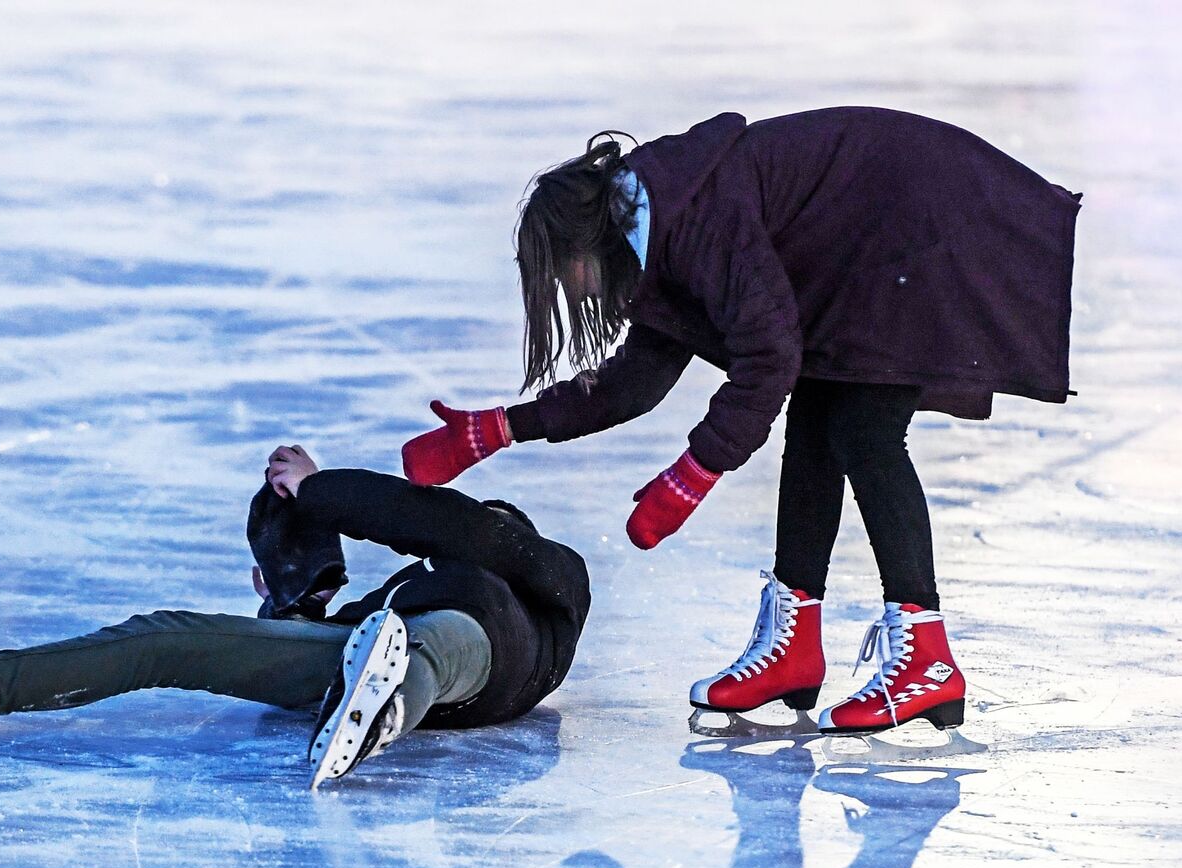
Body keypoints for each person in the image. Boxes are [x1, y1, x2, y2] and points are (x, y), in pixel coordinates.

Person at [400, 107, 1079, 738]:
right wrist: (496, 429)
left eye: (563, 271)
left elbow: (769, 356)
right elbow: (634, 382)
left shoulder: (697, 221)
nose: (567, 290)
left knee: (862, 432)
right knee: (818, 423)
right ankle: (795, 647)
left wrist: (692, 474)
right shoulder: (655, 231)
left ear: (588, 240)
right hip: (870, 243)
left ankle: (925, 658)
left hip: (922, 221)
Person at [0, 446, 590, 787]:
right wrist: (296, 601)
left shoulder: (541, 576)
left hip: (483, 653)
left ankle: (385, 708)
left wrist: (316, 489)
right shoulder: (377, 613)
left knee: (431, 648)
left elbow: (454, 526)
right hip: (366, 659)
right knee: (166, 638)